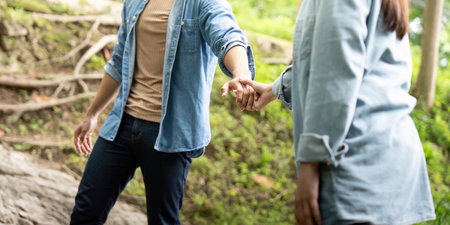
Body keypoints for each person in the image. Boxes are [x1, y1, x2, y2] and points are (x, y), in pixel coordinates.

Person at [238, 0, 436, 224]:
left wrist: (311, 162)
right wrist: (274, 90)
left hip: (355, 167)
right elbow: (329, 55)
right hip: (386, 161)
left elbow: (336, 75)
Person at [70, 0, 255, 223]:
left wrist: (241, 72)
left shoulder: (204, 3)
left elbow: (228, 35)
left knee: (162, 220)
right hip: (122, 125)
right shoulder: (135, 2)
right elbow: (119, 60)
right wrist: (92, 114)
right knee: (85, 211)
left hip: (171, 134)